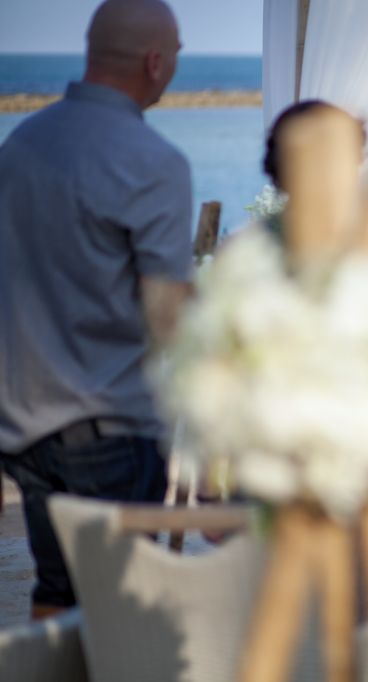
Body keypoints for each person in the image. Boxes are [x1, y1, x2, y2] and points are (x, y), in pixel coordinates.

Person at [0, 0, 192, 619]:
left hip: (23, 425)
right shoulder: (154, 160)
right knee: (123, 618)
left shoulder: (19, 144)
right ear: (155, 62)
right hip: (108, 428)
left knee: (55, 597)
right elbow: (168, 321)